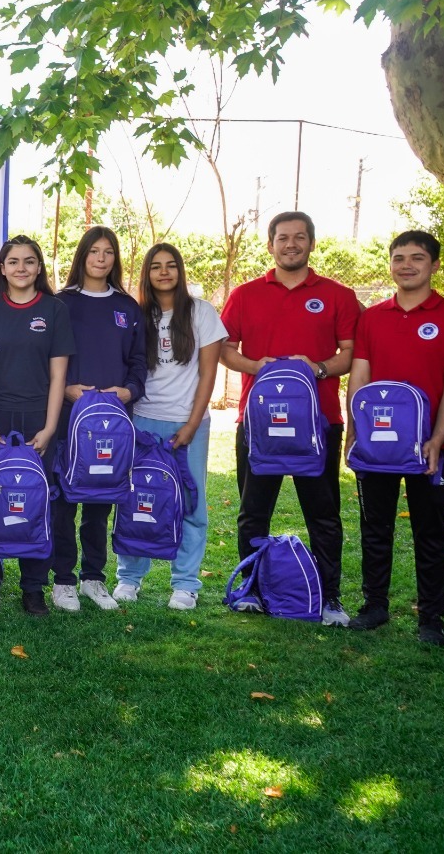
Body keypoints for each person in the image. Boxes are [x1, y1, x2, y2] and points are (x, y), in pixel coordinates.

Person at [220, 211, 360, 626]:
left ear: (312, 244)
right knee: (252, 512)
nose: (291, 244)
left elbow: (350, 352)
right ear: (270, 245)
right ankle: (251, 591)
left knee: (323, 513)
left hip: (319, 426)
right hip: (259, 426)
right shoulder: (245, 295)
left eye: (300, 238)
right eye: (283, 238)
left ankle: (330, 597)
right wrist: (255, 365)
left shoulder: (338, 295)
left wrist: (317, 368)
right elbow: (226, 349)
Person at [346, 230, 444, 645]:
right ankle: (374, 605)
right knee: (374, 526)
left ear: (433, 265)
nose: (407, 265)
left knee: (430, 532)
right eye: (399, 258)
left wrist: (438, 438)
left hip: (431, 448)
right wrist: (354, 432)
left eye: (417, 257)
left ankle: (431, 617)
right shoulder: (373, 317)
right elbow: (359, 377)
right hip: (376, 446)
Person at [113, 243, 225, 610]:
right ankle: (129, 578)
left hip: (186, 422)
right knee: (137, 500)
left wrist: (193, 423)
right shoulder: (136, 314)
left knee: (190, 504)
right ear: (146, 273)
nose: (164, 272)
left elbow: (209, 373)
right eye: (156, 266)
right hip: (142, 420)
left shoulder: (201, 313)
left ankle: (185, 583)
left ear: (180, 271)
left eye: (171, 265)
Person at [49, 227, 146, 612]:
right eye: (94, 251)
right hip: (69, 417)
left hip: (113, 424)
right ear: (82, 256)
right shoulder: (61, 304)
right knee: (64, 502)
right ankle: (62, 581)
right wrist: (68, 389)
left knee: (100, 502)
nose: (101, 258)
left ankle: (93, 578)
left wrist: (128, 392)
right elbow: (48, 359)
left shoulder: (128, 307)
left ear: (115, 258)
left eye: (108, 252)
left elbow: (138, 361)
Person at [0, 236, 73, 615]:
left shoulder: (54, 309)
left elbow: (58, 376)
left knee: (37, 502)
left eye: (29, 261)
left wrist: (50, 428)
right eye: (13, 261)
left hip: (39, 418)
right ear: (2, 268)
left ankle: (34, 587)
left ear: (39, 268)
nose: (21, 268)